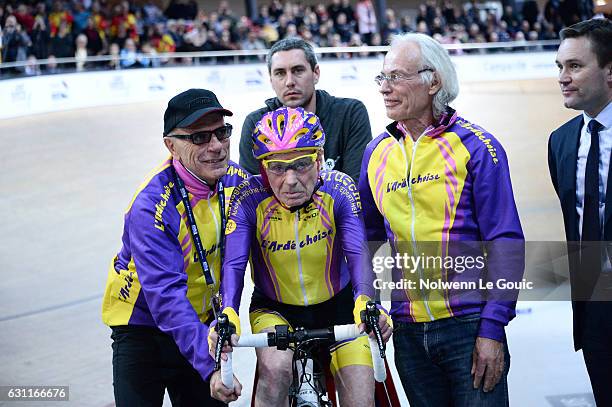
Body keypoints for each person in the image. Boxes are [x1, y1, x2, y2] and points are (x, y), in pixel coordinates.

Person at [359, 33, 524, 406]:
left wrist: (493, 328)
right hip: (407, 332)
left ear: (433, 82)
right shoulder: (376, 151)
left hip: (469, 327)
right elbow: (364, 240)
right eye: (382, 77)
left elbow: (506, 240)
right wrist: (369, 301)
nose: (385, 88)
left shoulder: (478, 146)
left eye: (396, 77)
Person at [212, 107, 392, 406]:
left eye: (302, 164)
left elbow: (359, 253)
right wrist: (228, 311)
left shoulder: (339, 189)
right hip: (275, 310)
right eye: (278, 168)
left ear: (320, 159)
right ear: (263, 169)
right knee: (275, 373)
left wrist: (365, 300)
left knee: (361, 398)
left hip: (341, 308)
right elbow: (233, 264)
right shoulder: (248, 198)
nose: (291, 179)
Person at [101, 89, 249, 406]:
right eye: (198, 138)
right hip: (141, 327)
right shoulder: (151, 206)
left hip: (200, 323)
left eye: (222, 132)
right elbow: (166, 297)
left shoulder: (236, 180)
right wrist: (210, 367)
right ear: (171, 146)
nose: (217, 146)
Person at [548, 18, 612, 406]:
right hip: (594, 310)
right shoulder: (561, 142)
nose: (563, 77)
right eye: (559, 66)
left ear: (609, 71)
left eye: (575, 66)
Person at [238, 37, 372, 183]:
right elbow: (252, 194)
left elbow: (356, 187)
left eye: (298, 70)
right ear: (271, 80)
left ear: (316, 73)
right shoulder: (256, 124)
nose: (289, 82)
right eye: (280, 73)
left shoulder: (350, 114)